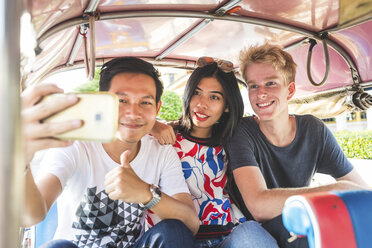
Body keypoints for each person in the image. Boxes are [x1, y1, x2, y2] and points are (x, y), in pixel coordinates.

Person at [23, 57, 199, 248]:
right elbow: (30, 215)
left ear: (157, 108)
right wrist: (21, 160)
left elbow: (191, 223)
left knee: (173, 231)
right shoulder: (74, 146)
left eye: (145, 102)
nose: (133, 112)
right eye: (121, 100)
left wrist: (146, 193)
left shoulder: (161, 152)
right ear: (103, 103)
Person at [226, 43, 370, 248]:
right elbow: (258, 206)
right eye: (253, 86)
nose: (261, 94)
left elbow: (360, 189)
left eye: (271, 83)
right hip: (254, 232)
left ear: (290, 90)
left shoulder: (314, 130)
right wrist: (335, 190)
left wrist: (342, 193)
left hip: (297, 228)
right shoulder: (241, 131)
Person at [149, 57, 278, 248]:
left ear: (227, 106)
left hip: (228, 236)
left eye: (214, 97)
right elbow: (131, 121)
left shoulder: (233, 141)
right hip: (178, 237)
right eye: (196, 93)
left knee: (252, 234)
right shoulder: (166, 135)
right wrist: (152, 125)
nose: (201, 104)